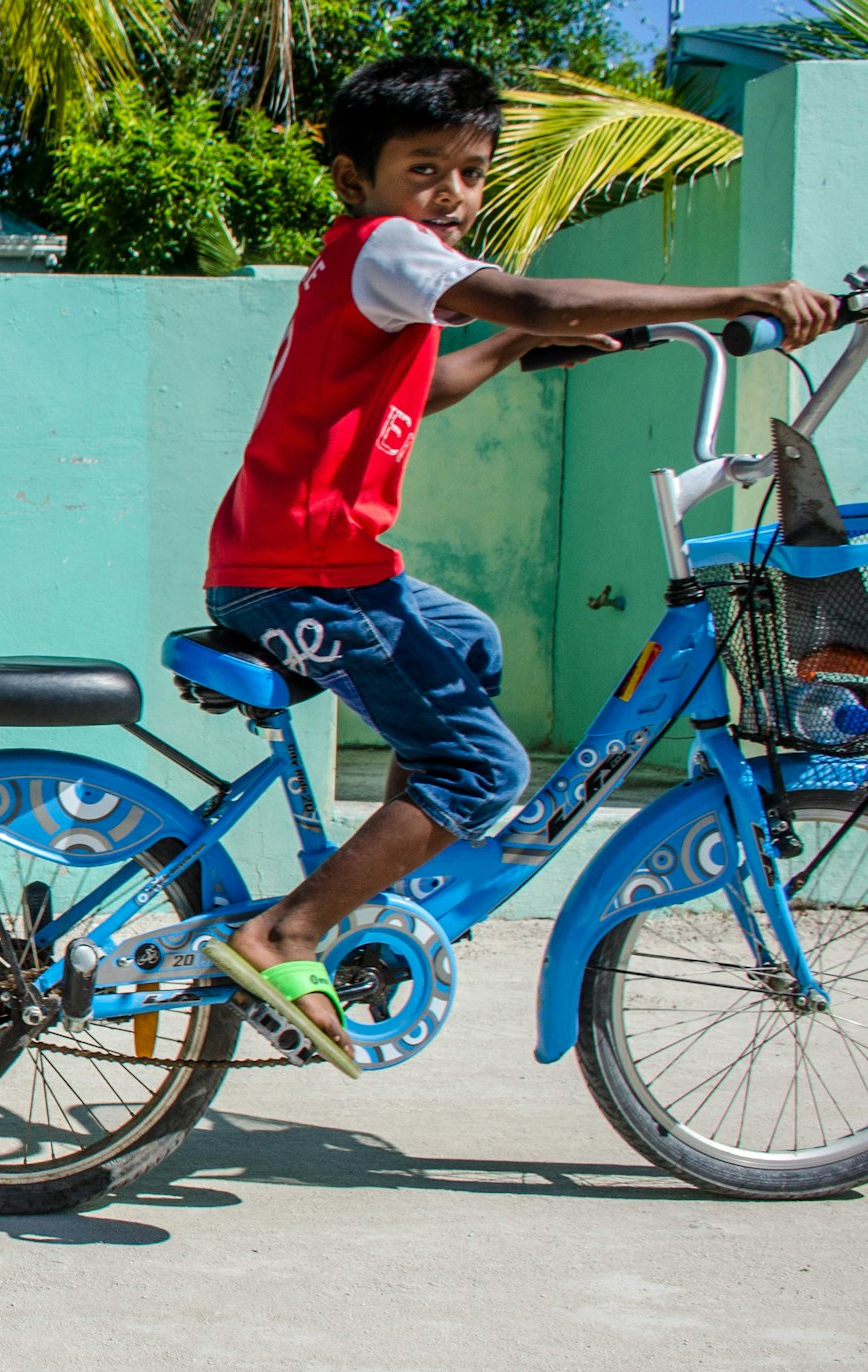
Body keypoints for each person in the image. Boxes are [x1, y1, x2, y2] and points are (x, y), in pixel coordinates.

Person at [206, 56, 838, 1060]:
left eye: (471, 172)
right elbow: (535, 299)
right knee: (483, 763)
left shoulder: (372, 259)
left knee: (472, 645)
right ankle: (287, 929)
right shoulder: (390, 246)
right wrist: (736, 291)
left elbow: (430, 385)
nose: (453, 195)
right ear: (352, 179)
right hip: (303, 573)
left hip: (321, 563)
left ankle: (388, 881)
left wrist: (514, 352)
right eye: (426, 169)